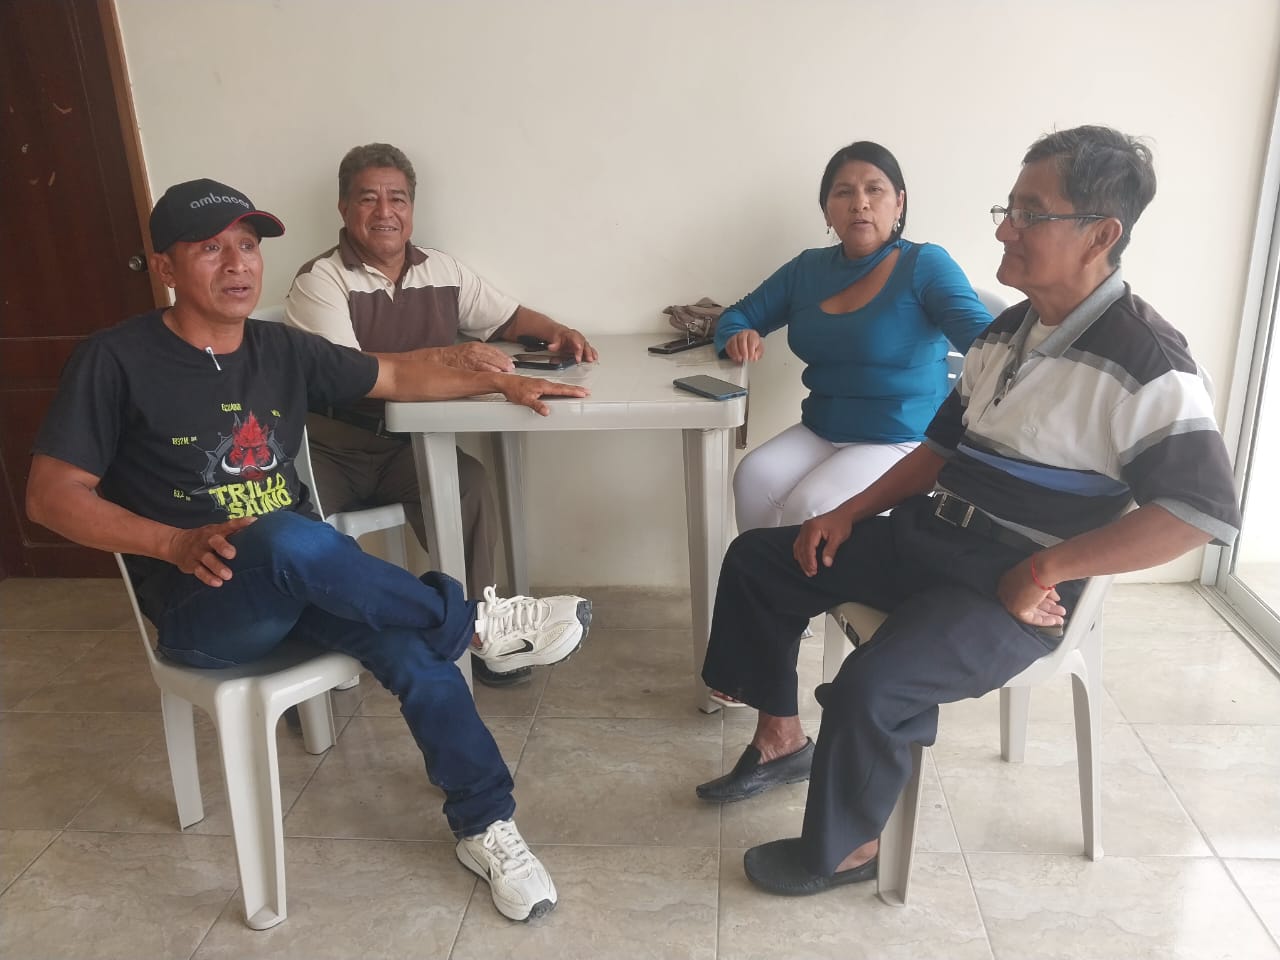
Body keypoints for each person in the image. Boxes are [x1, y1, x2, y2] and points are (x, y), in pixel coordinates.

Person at [26, 178, 594, 922]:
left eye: (248, 245)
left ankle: (484, 824)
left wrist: (500, 386)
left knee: (413, 646)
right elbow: (51, 497)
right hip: (207, 607)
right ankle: (477, 624)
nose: (238, 263)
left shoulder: (279, 348)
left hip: (302, 580)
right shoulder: (115, 359)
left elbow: (394, 374)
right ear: (164, 266)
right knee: (286, 533)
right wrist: (172, 541)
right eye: (210, 249)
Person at [694, 126, 1242, 897]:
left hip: (1015, 587)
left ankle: (850, 849)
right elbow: (936, 452)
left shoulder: (1148, 362)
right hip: (933, 539)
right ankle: (781, 740)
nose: (1004, 229)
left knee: (871, 688)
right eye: (1007, 208)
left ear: (1101, 235)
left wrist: (1046, 569)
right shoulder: (1008, 332)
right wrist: (847, 513)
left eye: (1030, 213)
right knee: (761, 558)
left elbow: (1198, 513)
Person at [285, 142, 598, 688]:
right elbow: (352, 375)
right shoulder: (321, 280)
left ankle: (483, 637)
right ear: (344, 208)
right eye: (368, 198)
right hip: (327, 450)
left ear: (412, 207)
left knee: (467, 486)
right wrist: (455, 360)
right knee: (290, 532)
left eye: (398, 199)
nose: (385, 212)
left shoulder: (442, 269)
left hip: (403, 447)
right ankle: (303, 669)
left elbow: (506, 317)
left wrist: (556, 331)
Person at [716, 140, 992, 537]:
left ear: (899, 203)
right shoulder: (807, 269)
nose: (859, 203)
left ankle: (796, 578)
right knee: (753, 477)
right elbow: (737, 315)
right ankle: (761, 575)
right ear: (827, 210)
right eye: (843, 192)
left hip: (902, 439)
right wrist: (738, 334)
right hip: (822, 428)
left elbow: (990, 345)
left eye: (874, 190)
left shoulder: (925, 264)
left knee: (811, 507)